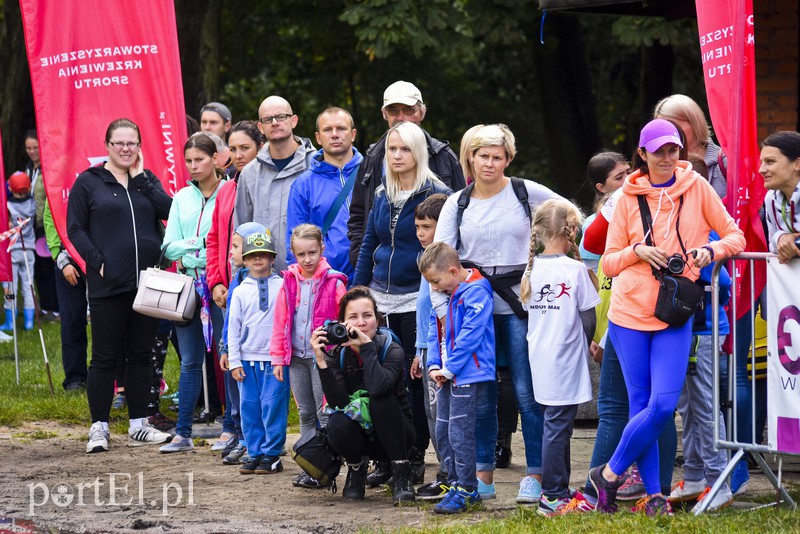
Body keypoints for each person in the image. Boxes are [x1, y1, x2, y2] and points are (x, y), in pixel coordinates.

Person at [588, 119, 745, 516]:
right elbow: (607, 261)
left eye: (673, 149)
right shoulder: (624, 197)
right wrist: (637, 252)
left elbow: (735, 235)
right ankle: (655, 496)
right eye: (658, 150)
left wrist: (712, 252)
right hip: (628, 314)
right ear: (642, 154)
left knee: (662, 405)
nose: (667, 157)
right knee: (641, 404)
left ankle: (607, 474)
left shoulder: (698, 187)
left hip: (676, 312)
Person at [433, 123, 562, 503]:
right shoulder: (458, 203)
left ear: (508, 158)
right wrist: (444, 311)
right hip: (474, 313)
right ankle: (482, 475)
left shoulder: (526, 192)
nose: (489, 163)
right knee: (482, 394)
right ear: (469, 157)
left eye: (497, 156)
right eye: (482, 155)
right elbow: (438, 260)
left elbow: (569, 217)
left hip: (521, 307)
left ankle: (535, 474)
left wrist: (556, 260)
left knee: (527, 392)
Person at [352, 121, 452, 486]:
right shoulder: (381, 192)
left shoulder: (438, 194)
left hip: (419, 297)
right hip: (380, 297)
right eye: (392, 149)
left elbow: (445, 251)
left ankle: (422, 457)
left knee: (417, 381)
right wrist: (358, 289)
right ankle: (393, 456)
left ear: (418, 152)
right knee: (383, 382)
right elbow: (368, 242)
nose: (396, 155)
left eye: (404, 149)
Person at [67, 118, 173, 453]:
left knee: (141, 355)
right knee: (105, 357)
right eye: (119, 143)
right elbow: (75, 228)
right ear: (107, 145)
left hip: (148, 283)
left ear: (139, 146)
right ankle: (99, 427)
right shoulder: (89, 182)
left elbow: (169, 210)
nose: (126, 149)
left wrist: (141, 179)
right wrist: (96, 261)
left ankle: (139, 423)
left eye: (132, 143)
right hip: (108, 284)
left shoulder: (146, 180)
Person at [517, 199, 600, 515]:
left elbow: (530, 312)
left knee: (558, 423)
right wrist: (587, 343)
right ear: (572, 230)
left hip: (540, 356)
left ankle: (559, 487)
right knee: (557, 425)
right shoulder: (577, 270)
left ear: (538, 232)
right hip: (565, 357)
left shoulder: (531, 271)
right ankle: (551, 495)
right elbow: (588, 317)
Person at [312, 286, 416, 505]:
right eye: (353, 317)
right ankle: (356, 469)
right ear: (342, 322)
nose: (361, 322)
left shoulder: (391, 349)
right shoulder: (337, 355)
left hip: (398, 435)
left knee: (380, 398)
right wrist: (321, 362)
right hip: (362, 437)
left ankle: (401, 473)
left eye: (367, 316)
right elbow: (338, 403)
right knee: (337, 423)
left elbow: (379, 388)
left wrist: (367, 348)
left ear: (377, 320)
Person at [347, 80, 465, 267]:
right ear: (384, 114)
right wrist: (360, 259)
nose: (401, 117)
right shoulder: (372, 158)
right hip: (380, 275)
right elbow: (358, 215)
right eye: (394, 110)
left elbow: (462, 214)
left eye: (409, 110)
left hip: (433, 272)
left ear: (422, 113)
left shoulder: (442, 155)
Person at [160, 132, 226, 453]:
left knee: (227, 355)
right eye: (188, 161)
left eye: (199, 159)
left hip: (218, 285)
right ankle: (183, 432)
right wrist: (198, 244)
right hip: (186, 285)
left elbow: (228, 241)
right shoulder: (181, 198)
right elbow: (168, 247)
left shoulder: (229, 192)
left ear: (216, 159)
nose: (193, 166)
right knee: (189, 360)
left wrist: (192, 247)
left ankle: (233, 427)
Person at [420, 242, 495, 514]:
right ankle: (453, 483)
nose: (435, 287)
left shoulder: (475, 292)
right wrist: (433, 364)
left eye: (437, 281)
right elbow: (434, 328)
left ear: (453, 270)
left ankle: (467, 489)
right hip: (446, 374)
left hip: (467, 373)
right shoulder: (445, 292)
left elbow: (471, 335)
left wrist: (450, 368)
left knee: (460, 433)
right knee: (443, 431)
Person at [271, 224, 347, 487]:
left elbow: (344, 319)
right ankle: (310, 465)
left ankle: (328, 467)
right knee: (305, 413)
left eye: (312, 253)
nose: (307, 259)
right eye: (301, 254)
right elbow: (280, 320)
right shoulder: (288, 281)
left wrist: (337, 352)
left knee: (323, 411)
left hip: (321, 358)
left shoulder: (334, 281)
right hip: (296, 358)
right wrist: (279, 358)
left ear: (322, 249)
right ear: (293, 254)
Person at [206, 120, 266, 456]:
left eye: (246, 148)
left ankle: (256, 434)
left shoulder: (259, 184)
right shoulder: (227, 188)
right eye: (235, 148)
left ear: (259, 147)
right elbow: (215, 236)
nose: (239, 155)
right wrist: (216, 279)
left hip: (257, 284)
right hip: (228, 287)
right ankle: (236, 428)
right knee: (230, 355)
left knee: (256, 361)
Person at [227, 231, 289, 476]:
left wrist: (282, 356)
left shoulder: (283, 285)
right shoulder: (241, 290)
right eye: (252, 255)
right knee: (249, 408)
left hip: (274, 360)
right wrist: (234, 360)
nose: (258, 259)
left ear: (272, 257)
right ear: (244, 258)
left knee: (273, 407)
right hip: (247, 359)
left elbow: (287, 323)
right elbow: (233, 327)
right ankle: (255, 453)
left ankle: (272, 455)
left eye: (263, 254)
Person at [234, 95, 316, 271]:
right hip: (263, 279)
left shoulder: (316, 166)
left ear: (293, 121)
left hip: (309, 277)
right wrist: (239, 278)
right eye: (267, 119)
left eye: (281, 117)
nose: (274, 123)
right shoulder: (249, 173)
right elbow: (240, 230)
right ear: (260, 127)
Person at [286, 107, 363, 280]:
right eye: (327, 130)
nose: (335, 134)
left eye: (341, 128)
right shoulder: (303, 185)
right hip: (325, 281)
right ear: (318, 138)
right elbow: (293, 241)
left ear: (353, 134)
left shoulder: (372, 174)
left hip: (372, 278)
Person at [411, 193, 450, 501]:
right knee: (430, 411)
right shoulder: (424, 261)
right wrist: (418, 350)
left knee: (441, 413)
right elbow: (423, 312)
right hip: (426, 349)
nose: (420, 233)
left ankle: (450, 474)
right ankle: (446, 470)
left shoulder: (445, 266)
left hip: (442, 352)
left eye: (426, 226)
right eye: (417, 227)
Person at [218, 222, 267, 465]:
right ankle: (242, 438)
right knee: (237, 400)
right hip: (235, 350)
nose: (231, 252)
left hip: (257, 353)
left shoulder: (269, 280)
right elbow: (230, 320)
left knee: (257, 400)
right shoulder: (237, 277)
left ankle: (258, 443)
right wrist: (226, 347)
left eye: (236, 246)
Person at [44, 199, 87, 390]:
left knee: (108, 321)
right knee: (71, 318)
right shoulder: (58, 174)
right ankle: (75, 378)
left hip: (100, 258)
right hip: (68, 260)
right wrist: (59, 256)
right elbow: (50, 215)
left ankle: (111, 378)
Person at [653, 94, 727, 198]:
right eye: (662, 128)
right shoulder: (659, 167)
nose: (668, 133)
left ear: (694, 122)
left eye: (674, 125)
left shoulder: (726, 163)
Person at [25, 130, 59, 320]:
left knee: (49, 266)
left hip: (46, 225)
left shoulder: (49, 168)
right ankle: (46, 307)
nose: (31, 151)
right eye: (28, 148)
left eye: (35, 148)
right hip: (31, 227)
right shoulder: (29, 168)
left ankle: (56, 308)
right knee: (38, 268)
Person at [4, 172, 37, 330]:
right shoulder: (32, 203)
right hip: (29, 249)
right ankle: (29, 322)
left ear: (10, 188)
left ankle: (10, 323)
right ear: (29, 187)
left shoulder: (6, 205)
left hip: (11, 250)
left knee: (10, 285)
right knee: (28, 285)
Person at [761, 131, 800, 263]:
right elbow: (773, 247)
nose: (761, 169)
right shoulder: (771, 198)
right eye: (762, 162)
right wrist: (780, 237)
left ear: (797, 164)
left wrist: (792, 242)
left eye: (770, 162)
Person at [200, 102, 235, 177]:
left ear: (227, 126)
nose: (207, 127)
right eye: (204, 122)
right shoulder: (191, 157)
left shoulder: (236, 157)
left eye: (213, 122)